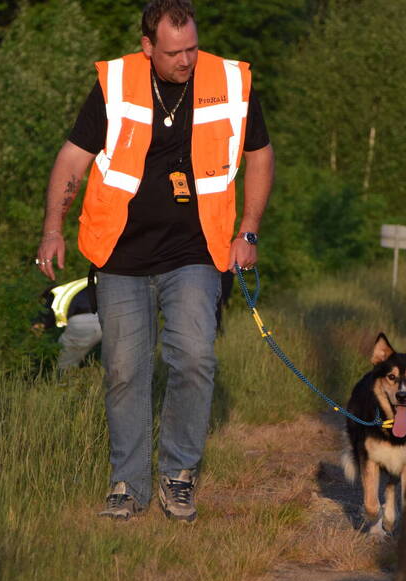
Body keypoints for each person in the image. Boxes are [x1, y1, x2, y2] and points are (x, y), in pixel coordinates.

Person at [35, 0, 275, 523]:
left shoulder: (231, 81)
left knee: (194, 357)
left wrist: (248, 230)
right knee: (125, 370)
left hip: (197, 250)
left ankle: (178, 474)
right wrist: (53, 227)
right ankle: (127, 483)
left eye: (192, 48)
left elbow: (259, 153)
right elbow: (73, 157)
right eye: (173, 53)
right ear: (147, 46)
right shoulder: (115, 84)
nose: (186, 60)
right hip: (120, 253)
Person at [39, 273, 103, 374]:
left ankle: (63, 379)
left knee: (65, 362)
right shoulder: (76, 288)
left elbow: (50, 318)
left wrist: (38, 328)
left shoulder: (56, 294)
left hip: (82, 322)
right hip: (106, 318)